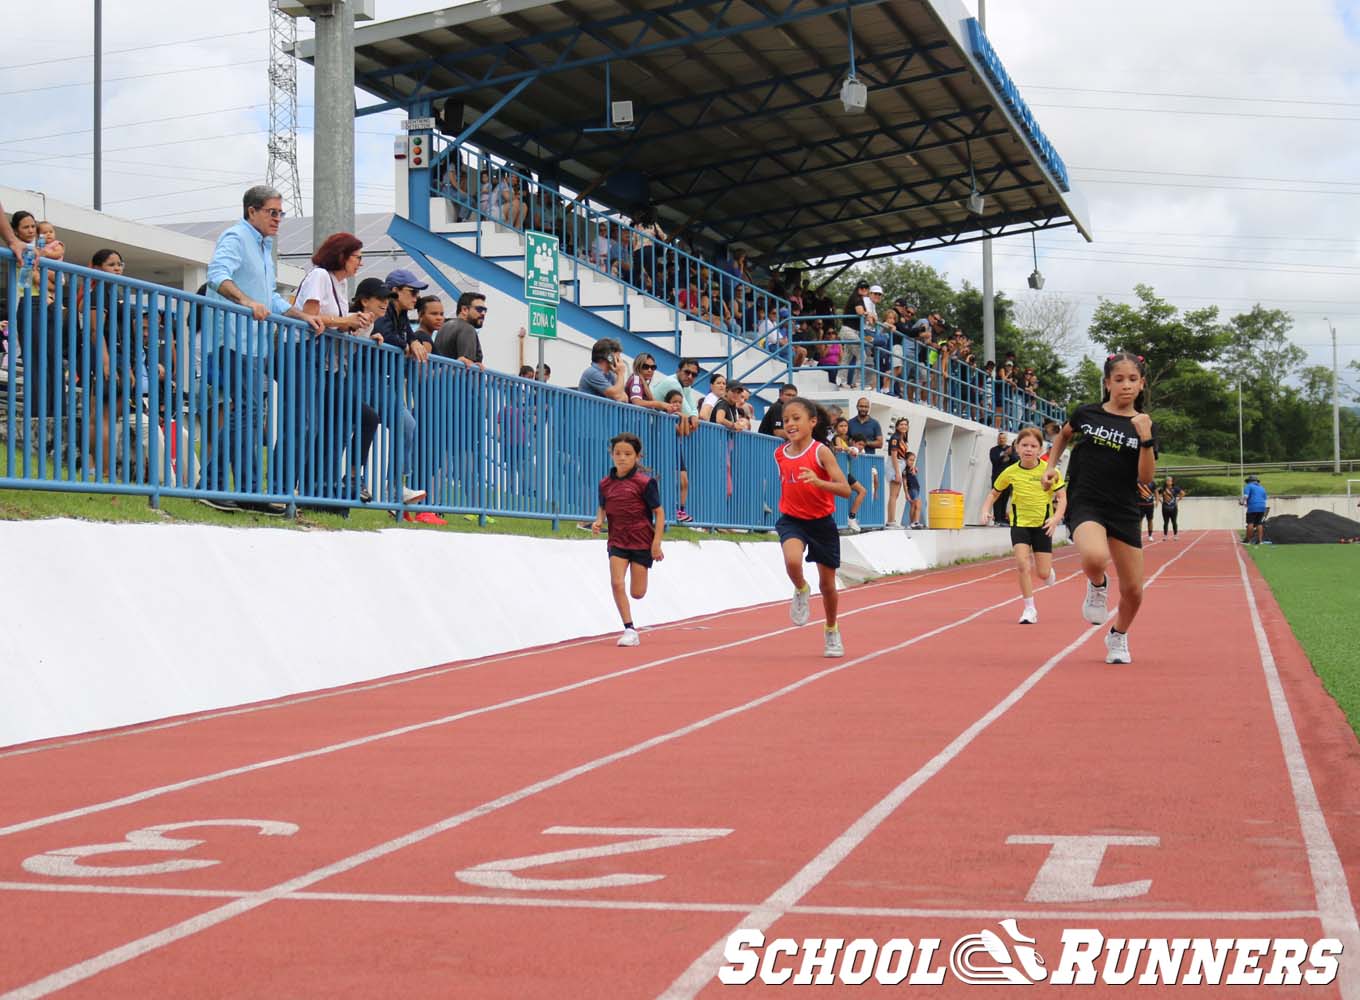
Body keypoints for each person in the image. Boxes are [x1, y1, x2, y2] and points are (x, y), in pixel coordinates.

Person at [202, 185, 325, 514]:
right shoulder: (235, 237)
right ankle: (241, 488)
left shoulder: (263, 247)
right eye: (272, 212)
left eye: (280, 213)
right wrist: (245, 301)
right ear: (251, 211)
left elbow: (269, 296)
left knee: (251, 413)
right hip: (230, 338)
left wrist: (302, 316)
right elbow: (217, 275)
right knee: (248, 411)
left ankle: (222, 484)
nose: (278, 219)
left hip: (253, 343)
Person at [1042, 352, 1157, 665]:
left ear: (1142, 383)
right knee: (1094, 557)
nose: (1126, 385)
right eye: (1118, 379)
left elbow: (1145, 477)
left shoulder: (1143, 425)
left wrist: (1145, 437)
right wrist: (1051, 467)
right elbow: (1063, 436)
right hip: (1086, 499)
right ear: (1107, 383)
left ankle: (1118, 636)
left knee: (1134, 590)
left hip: (1124, 507)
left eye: (1133, 379)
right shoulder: (1087, 414)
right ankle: (1097, 584)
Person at [776, 398, 853, 656]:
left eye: (796, 418)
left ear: (812, 422)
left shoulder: (821, 452)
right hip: (792, 520)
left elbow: (844, 489)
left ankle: (831, 630)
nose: (790, 424)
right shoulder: (780, 453)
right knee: (793, 562)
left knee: (828, 585)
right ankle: (800, 588)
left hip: (821, 523)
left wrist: (819, 483)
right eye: (786, 419)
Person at [982, 426, 1067, 624]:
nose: (1029, 449)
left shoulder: (1050, 471)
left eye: (1033, 446)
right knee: (1022, 564)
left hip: (1043, 525)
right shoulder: (1010, 471)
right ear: (1017, 447)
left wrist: (1056, 519)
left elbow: (1062, 498)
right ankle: (1029, 609)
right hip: (1019, 523)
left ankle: (1048, 571)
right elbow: (994, 492)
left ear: (1040, 449)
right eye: (1024, 445)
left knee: (1043, 573)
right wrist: (985, 510)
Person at [591, 432, 665, 647]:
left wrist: (656, 543)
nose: (622, 458)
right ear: (611, 455)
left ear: (637, 457)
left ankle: (631, 624)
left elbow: (659, 513)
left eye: (627, 454)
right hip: (617, 540)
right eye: (617, 453)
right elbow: (603, 506)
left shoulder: (645, 483)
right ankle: (629, 629)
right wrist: (598, 521)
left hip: (641, 540)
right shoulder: (605, 483)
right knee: (616, 583)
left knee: (637, 593)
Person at [433, 291, 487, 369]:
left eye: (485, 310)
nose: (483, 313)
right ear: (464, 309)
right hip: (454, 380)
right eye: (479, 309)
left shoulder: (444, 327)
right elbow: (468, 367)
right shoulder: (468, 329)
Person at [988, 432, 1015, 525]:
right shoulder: (993, 450)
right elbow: (995, 461)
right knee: (996, 498)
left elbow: (1015, 461)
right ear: (997, 439)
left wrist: (1010, 455)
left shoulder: (1010, 449)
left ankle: (1003, 519)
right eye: (1000, 438)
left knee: (1005, 498)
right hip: (997, 477)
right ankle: (997, 519)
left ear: (1006, 439)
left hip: (1008, 479)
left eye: (1003, 438)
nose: (1001, 440)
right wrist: (1004, 454)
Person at [1242, 474, 1268, 545]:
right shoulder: (1262, 488)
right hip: (1262, 507)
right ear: (1256, 481)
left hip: (1253, 507)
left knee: (1250, 523)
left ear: (1249, 481)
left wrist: (1242, 502)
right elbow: (1264, 498)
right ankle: (1259, 541)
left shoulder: (1248, 486)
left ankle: (1248, 540)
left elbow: (1246, 496)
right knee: (1259, 523)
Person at [903, 451, 923, 529]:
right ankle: (915, 522)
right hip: (912, 489)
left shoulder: (912, 469)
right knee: (917, 505)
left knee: (915, 505)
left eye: (913, 460)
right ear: (906, 460)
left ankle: (913, 522)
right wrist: (906, 493)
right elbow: (904, 483)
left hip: (916, 488)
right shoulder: (905, 470)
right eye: (910, 460)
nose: (912, 462)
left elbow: (915, 471)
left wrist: (914, 470)